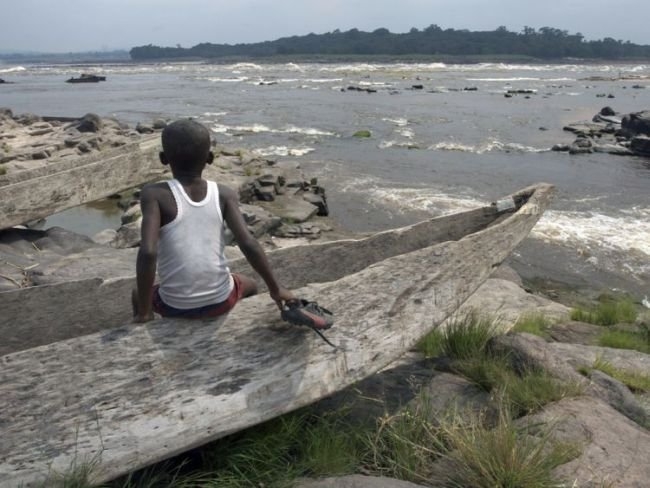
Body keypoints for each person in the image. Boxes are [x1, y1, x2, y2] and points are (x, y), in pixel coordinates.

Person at [132, 119, 294, 323]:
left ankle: (144, 318)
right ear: (210, 158)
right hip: (220, 301)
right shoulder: (224, 194)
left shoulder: (154, 194)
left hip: (173, 306)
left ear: (163, 159)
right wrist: (276, 289)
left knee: (137, 294)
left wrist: (145, 311)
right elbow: (248, 243)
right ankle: (237, 319)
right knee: (250, 284)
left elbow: (148, 252)